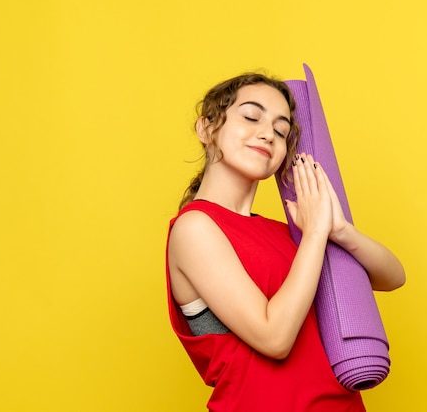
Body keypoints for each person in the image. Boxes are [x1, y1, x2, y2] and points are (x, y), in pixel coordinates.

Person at [165, 72, 405, 411]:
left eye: (281, 130)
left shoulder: (292, 232)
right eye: (251, 116)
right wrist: (317, 233)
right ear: (206, 128)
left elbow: (392, 277)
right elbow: (274, 338)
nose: (267, 134)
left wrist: (338, 230)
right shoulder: (195, 228)